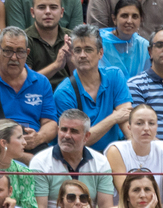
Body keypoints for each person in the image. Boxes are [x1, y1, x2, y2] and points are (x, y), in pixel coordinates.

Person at [0, 27, 58, 161]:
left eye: (20, 52)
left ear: (27, 53)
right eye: (8, 51)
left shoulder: (41, 82)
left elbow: (51, 124)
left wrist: (39, 137)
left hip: (34, 147)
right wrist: (27, 158)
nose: (14, 57)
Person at [53, 24, 130, 152]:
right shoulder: (64, 92)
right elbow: (76, 140)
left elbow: (126, 115)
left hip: (114, 153)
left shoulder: (114, 76)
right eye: (77, 50)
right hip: (80, 160)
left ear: (100, 53)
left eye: (88, 49)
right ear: (72, 55)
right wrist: (113, 118)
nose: (82, 55)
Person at [30, 108, 115, 208]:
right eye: (64, 130)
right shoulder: (40, 162)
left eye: (74, 131)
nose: (67, 136)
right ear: (58, 130)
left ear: (86, 136)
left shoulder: (101, 162)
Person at [106, 104, 163, 208]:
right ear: (129, 127)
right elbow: (125, 194)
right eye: (139, 123)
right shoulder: (116, 151)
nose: (146, 128)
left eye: (151, 123)